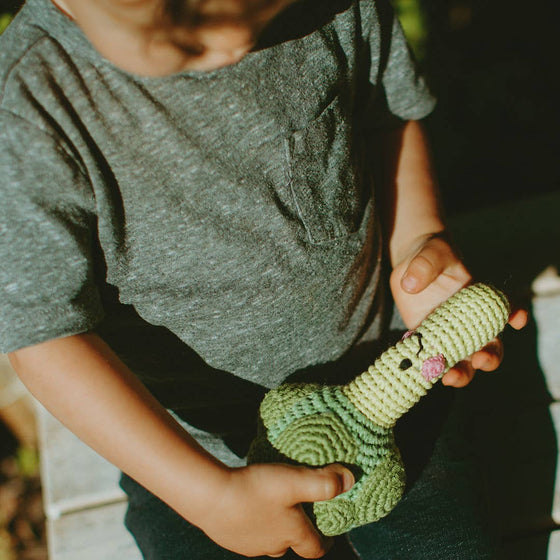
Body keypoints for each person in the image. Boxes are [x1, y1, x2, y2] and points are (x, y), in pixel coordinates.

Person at [0, 0, 527, 558]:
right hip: (197, 448)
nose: (235, 46)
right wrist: (207, 495)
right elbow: (46, 335)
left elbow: (385, 115)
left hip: (381, 390)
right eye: (187, 36)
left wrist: (418, 243)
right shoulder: (30, 112)